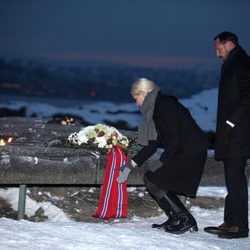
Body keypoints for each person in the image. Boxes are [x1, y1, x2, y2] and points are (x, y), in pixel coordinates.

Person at [117, 78, 209, 234]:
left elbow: (175, 138)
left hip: (190, 150)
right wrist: (129, 166)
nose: (137, 103)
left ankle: (185, 219)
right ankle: (176, 218)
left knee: (154, 179)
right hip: (183, 149)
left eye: (136, 99)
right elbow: (151, 145)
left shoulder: (164, 105)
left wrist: (162, 161)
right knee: (152, 177)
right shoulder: (154, 110)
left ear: (144, 93)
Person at [204, 31, 250, 239]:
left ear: (229, 44)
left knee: (236, 181)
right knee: (232, 180)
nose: (217, 53)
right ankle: (230, 221)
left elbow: (248, 97)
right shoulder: (232, 63)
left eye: (219, 48)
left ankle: (240, 227)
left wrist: (230, 123)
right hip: (231, 132)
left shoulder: (243, 63)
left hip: (238, 133)